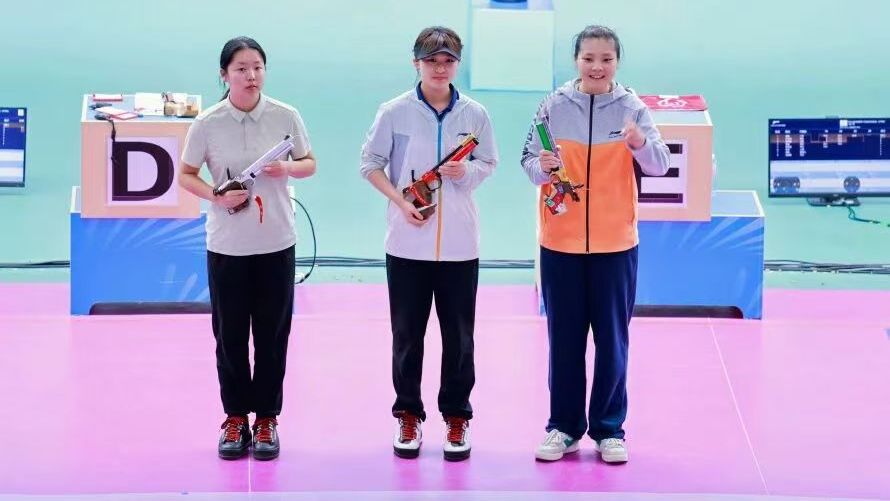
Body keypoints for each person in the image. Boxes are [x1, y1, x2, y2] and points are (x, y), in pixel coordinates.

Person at [521, 25, 670, 463]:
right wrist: (543, 166)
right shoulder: (552, 106)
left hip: (615, 245)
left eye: (606, 59)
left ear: (617, 62)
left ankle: (609, 429)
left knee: (612, 341)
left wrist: (639, 143)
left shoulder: (632, 108)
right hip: (560, 244)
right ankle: (563, 427)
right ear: (576, 61)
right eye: (589, 58)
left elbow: (660, 165)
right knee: (564, 341)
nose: (597, 67)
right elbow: (528, 163)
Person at [359, 26, 498, 461]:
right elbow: (370, 163)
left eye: (448, 61)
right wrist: (401, 201)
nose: (440, 69)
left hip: (459, 246)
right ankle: (408, 414)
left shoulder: (475, 114)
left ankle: (456, 416)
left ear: (458, 64)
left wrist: (467, 173)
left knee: (460, 338)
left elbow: (489, 161)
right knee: (407, 336)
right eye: (432, 61)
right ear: (416, 63)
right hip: (406, 245)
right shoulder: (394, 112)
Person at [179, 36, 316, 461]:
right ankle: (235, 417)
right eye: (241, 68)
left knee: (273, 336)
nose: (251, 75)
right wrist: (216, 196)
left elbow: (309, 163)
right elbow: (186, 174)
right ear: (224, 75)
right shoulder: (208, 123)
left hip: (276, 242)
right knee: (230, 336)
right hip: (228, 247)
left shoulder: (285, 116)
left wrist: (286, 167)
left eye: (257, 67)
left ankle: (267, 418)